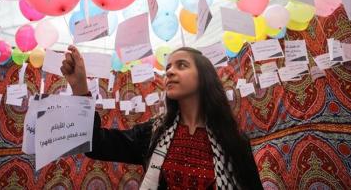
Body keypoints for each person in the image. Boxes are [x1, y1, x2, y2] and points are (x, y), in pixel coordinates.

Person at [61, 45, 263, 190]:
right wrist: (80, 88)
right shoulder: (153, 133)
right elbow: (95, 144)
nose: (170, 72)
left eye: (181, 65)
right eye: (168, 68)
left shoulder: (233, 141)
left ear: (204, 77)